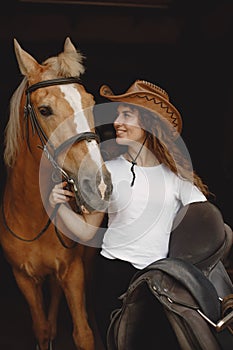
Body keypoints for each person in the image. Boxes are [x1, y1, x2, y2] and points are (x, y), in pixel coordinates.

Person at [49, 80, 210, 348]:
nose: (117, 122)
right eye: (117, 115)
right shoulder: (107, 171)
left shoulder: (176, 180)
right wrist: (59, 207)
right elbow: (87, 231)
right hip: (110, 278)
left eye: (127, 115)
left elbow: (207, 221)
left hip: (156, 282)